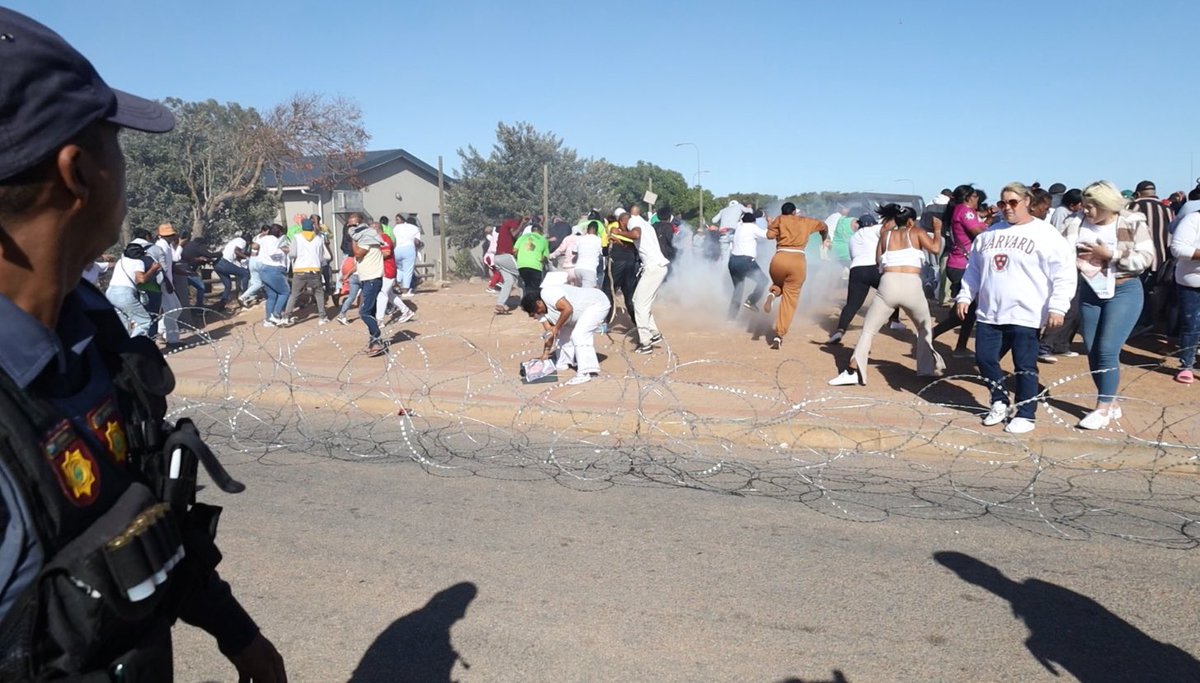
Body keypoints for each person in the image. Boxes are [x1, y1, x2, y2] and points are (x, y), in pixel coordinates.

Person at [0, 8, 286, 680]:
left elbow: (150, 515)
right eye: (116, 142)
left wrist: (236, 633)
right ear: (79, 172)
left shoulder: (91, 328)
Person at [954, 182, 1076, 434]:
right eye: (1003, 203)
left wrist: (1058, 307)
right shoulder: (989, 235)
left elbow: (1063, 273)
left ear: (1027, 202)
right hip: (990, 311)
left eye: (1013, 202)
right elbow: (974, 270)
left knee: (1024, 364)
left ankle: (1026, 412)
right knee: (986, 359)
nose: (1007, 208)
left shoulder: (1046, 234)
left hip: (1026, 312)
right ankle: (999, 401)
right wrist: (965, 296)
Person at [1062, 181, 1155, 429]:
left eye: (1092, 206)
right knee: (1092, 350)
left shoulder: (1132, 221)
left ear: (1107, 205)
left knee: (1107, 349)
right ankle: (1111, 402)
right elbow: (1061, 252)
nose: (1086, 209)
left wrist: (1110, 255)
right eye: (1085, 204)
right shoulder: (1075, 222)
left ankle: (1101, 408)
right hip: (1091, 290)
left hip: (1124, 289)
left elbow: (1146, 257)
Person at [829, 205, 945, 386]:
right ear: (910, 221)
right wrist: (937, 230)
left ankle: (853, 370)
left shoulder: (886, 235)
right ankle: (926, 368)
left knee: (868, 330)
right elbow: (936, 249)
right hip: (911, 283)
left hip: (888, 283)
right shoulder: (916, 232)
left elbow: (878, 261)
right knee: (924, 328)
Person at [931, 185, 989, 356]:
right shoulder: (965, 211)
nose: (978, 198)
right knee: (965, 312)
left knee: (967, 311)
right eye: (976, 195)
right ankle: (933, 336)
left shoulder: (961, 210)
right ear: (969, 197)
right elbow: (978, 233)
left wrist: (989, 220)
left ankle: (958, 346)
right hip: (963, 265)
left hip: (959, 263)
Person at [763, 202, 828, 349]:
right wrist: (824, 238)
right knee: (790, 299)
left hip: (779, 259)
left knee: (779, 284)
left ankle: (773, 293)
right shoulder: (806, 221)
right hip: (798, 260)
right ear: (794, 212)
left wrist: (770, 224)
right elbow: (824, 226)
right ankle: (779, 335)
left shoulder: (779, 220)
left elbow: (769, 235)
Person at [828, 213, 901, 344]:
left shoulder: (853, 238)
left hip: (856, 269)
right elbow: (888, 227)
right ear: (872, 223)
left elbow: (852, 256)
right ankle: (894, 321)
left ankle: (839, 330)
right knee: (894, 293)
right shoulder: (874, 229)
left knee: (852, 304)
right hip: (873, 268)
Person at [521, 284, 612, 385]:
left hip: (597, 304)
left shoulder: (548, 293)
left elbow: (568, 309)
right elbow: (550, 334)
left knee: (579, 334)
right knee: (562, 334)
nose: (535, 316)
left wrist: (556, 327)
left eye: (535, 312)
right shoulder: (539, 313)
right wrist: (545, 354)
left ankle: (585, 372)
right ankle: (564, 362)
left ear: (539, 303)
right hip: (577, 313)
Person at [610, 207, 672, 354]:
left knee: (639, 304)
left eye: (620, 225)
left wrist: (619, 232)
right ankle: (654, 333)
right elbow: (635, 240)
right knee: (640, 301)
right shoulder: (645, 223)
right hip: (657, 267)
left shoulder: (632, 223)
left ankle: (645, 343)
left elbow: (635, 235)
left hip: (653, 268)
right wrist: (620, 238)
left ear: (622, 221)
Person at [1128, 180, 1176, 335]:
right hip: (1162, 259)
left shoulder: (1133, 207)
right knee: (1155, 293)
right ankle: (1151, 322)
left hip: (1139, 259)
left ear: (1138, 193)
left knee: (1136, 293)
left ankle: (1138, 323)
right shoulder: (1168, 209)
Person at [346, 214, 387, 355]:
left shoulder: (365, 238)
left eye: (353, 225)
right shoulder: (365, 237)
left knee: (363, 313)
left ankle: (378, 339)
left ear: (360, 224)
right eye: (348, 225)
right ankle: (374, 341)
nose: (350, 228)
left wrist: (353, 238)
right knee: (370, 312)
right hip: (369, 280)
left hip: (372, 280)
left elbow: (357, 253)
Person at [106, 238, 162, 338]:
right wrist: (153, 269)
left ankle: (123, 346)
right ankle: (135, 346)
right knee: (145, 321)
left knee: (123, 323)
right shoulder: (138, 262)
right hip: (124, 294)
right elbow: (141, 279)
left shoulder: (121, 261)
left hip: (110, 293)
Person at [1170, 210, 1200, 384]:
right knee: (1192, 325)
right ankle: (1186, 365)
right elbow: (1178, 248)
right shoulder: (1193, 219)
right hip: (1192, 281)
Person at [281, 219, 330, 324]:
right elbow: (323, 257)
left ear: (302, 227)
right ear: (312, 227)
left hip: (299, 270)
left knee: (294, 294)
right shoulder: (319, 239)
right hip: (314, 269)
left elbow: (293, 254)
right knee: (318, 293)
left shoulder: (297, 237)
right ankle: (322, 317)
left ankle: (286, 317)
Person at [727, 211, 770, 319]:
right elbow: (767, 235)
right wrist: (770, 223)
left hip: (733, 261)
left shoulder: (739, 226)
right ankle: (751, 300)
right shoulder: (752, 227)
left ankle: (730, 318)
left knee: (738, 290)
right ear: (753, 221)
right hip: (745, 261)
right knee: (764, 281)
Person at [605, 213, 640, 329]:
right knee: (618, 294)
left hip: (623, 264)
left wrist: (618, 239)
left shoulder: (626, 231)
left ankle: (605, 322)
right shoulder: (615, 228)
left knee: (611, 292)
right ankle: (638, 324)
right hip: (624, 264)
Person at [255, 224, 291, 326]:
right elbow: (274, 254)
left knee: (272, 295)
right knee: (285, 292)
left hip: (264, 270)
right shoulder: (272, 240)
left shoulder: (264, 240)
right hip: (274, 269)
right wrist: (284, 250)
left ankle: (268, 320)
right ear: (279, 232)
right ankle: (276, 315)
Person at [215, 232, 251, 309]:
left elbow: (237, 256)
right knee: (245, 274)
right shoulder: (242, 242)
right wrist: (248, 258)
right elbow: (237, 252)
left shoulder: (235, 240)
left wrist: (240, 263)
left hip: (217, 264)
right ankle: (245, 296)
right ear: (248, 241)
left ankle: (221, 304)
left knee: (228, 285)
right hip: (224, 263)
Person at [492, 218, 521, 314]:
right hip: (506, 257)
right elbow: (514, 232)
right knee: (523, 275)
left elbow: (513, 234)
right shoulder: (510, 223)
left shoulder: (504, 232)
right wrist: (523, 223)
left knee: (509, 281)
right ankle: (527, 302)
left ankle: (500, 304)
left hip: (497, 258)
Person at [514, 224, 551, 293]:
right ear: (540, 231)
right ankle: (531, 302)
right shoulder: (543, 240)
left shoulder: (522, 237)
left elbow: (515, 250)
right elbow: (545, 257)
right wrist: (542, 262)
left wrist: (519, 258)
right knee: (535, 288)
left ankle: (526, 301)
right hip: (535, 266)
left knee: (527, 285)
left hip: (522, 265)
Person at [392, 214, 422, 297]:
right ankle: (405, 291)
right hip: (409, 249)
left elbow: (393, 239)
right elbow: (417, 242)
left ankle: (395, 284)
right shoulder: (415, 228)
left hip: (396, 249)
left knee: (400, 269)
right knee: (408, 270)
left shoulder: (396, 227)